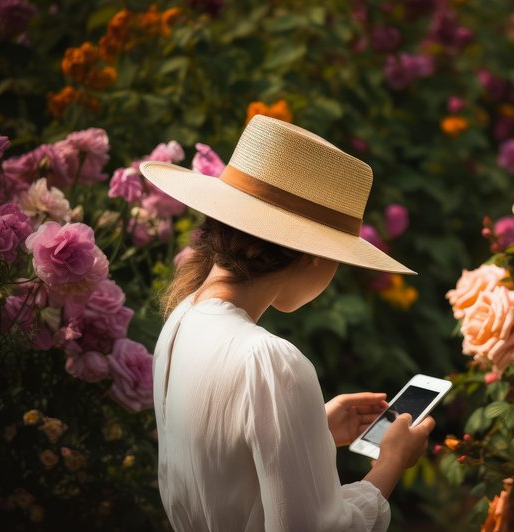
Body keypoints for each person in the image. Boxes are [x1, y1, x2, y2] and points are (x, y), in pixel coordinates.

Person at [142, 115, 435, 531]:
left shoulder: (183, 318)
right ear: (314, 254)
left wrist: (310, 429)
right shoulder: (270, 362)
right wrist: (391, 463)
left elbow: (219, 468)